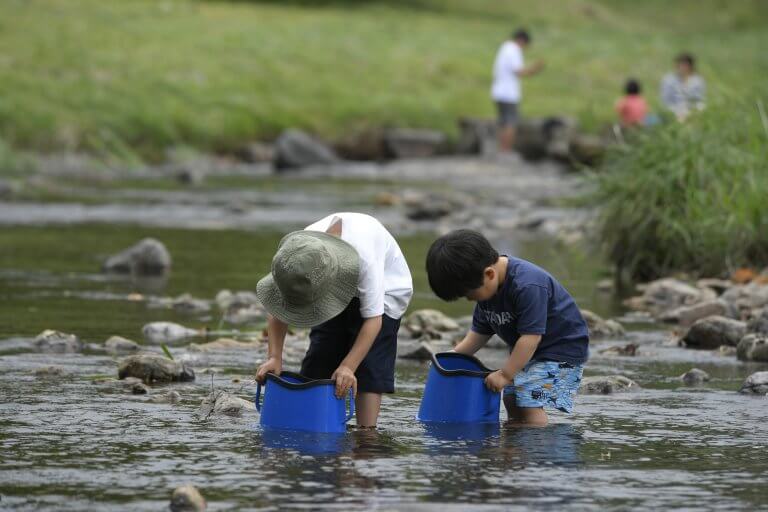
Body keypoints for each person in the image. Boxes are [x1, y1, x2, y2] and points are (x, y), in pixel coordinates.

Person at [255, 212, 413, 428]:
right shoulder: (294, 258)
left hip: (386, 293)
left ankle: (366, 435)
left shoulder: (364, 257)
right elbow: (279, 306)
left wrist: (348, 366)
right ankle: (312, 423)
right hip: (325, 283)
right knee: (320, 357)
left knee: (368, 368)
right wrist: (274, 356)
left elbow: (374, 320)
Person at [425, 230, 589, 426]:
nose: (470, 300)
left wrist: (505, 374)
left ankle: (537, 449)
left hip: (562, 352)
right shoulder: (487, 291)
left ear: (489, 274)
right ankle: (516, 447)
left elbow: (531, 337)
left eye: (470, 295)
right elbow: (476, 336)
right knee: (510, 399)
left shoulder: (527, 285)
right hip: (530, 353)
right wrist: (448, 360)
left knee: (528, 401)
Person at [491, 28, 544, 152]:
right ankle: (505, 151)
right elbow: (519, 71)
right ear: (521, 40)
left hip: (498, 92)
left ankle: (501, 150)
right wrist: (535, 68)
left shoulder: (504, 48)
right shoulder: (513, 50)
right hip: (508, 94)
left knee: (503, 122)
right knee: (511, 123)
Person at [660, 53, 706, 121]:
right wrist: (676, 111)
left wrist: (693, 112)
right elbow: (665, 100)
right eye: (681, 64)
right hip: (673, 110)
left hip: (692, 111)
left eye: (685, 65)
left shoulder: (697, 81)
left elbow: (699, 100)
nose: (683, 67)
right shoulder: (669, 79)